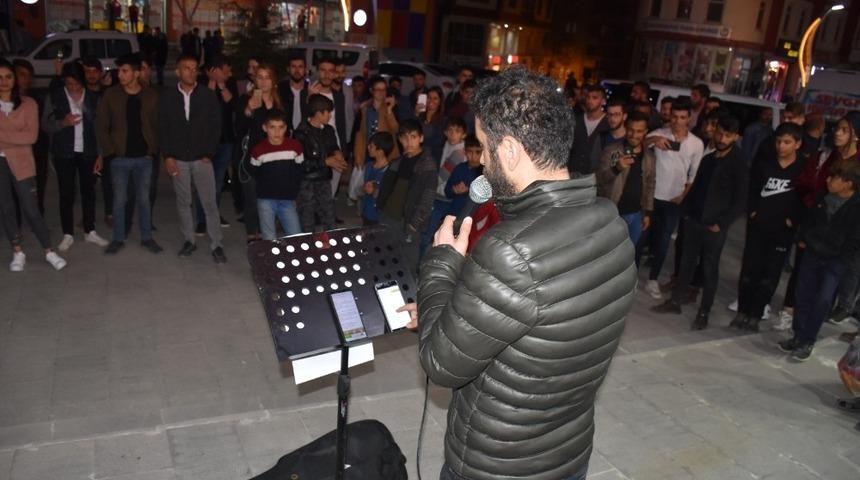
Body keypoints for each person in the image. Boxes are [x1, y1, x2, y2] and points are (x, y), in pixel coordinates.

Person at [405, 66, 635, 480]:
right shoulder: (609, 223)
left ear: (509, 150)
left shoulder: (510, 252)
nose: (483, 160)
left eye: (485, 147)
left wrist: (441, 263)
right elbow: (542, 319)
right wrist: (458, 312)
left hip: (498, 464)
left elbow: (441, 364)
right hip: (565, 453)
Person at [651, 114, 748, 330]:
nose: (722, 138)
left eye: (728, 135)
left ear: (736, 137)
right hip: (695, 219)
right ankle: (675, 301)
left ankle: (704, 311)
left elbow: (740, 200)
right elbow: (695, 189)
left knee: (709, 269)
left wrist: (722, 224)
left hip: (715, 226)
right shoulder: (709, 159)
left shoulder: (738, 163)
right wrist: (686, 213)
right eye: (720, 133)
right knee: (686, 263)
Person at [779, 161, 860, 362]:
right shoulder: (822, 197)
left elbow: (855, 238)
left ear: (848, 184)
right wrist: (803, 239)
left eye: (834, 178)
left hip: (835, 261)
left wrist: (842, 258)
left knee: (823, 299)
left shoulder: (856, 207)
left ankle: (808, 340)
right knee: (802, 295)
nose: (828, 180)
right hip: (812, 253)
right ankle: (798, 336)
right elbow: (809, 220)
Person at [732, 122, 806, 332]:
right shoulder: (765, 162)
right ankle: (742, 311)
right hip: (758, 226)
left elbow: (806, 198)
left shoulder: (802, 168)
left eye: (787, 142)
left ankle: (756, 314)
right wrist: (753, 211)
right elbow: (752, 188)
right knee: (749, 270)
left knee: (770, 275)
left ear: (797, 144)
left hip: (782, 232)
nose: (781, 146)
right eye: (779, 141)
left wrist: (792, 220)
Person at [0, 58, 67, 272]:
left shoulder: (29, 104)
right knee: (7, 208)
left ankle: (49, 250)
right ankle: (17, 251)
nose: (4, 81)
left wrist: (3, 137)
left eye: (8, 77)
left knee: (31, 209)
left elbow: (31, 136)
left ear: (15, 80)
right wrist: (15, 137)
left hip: (22, 164)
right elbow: (22, 137)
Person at [159, 54, 226, 263]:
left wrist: (209, 152)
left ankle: (217, 244)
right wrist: (168, 156)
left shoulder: (207, 95)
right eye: (186, 68)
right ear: (178, 71)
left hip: (201, 159)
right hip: (178, 158)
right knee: (184, 202)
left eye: (194, 68)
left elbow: (216, 126)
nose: (191, 71)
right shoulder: (168, 97)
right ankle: (189, 240)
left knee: (209, 202)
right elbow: (163, 129)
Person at [95, 53, 162, 255]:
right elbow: (101, 125)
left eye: (125, 71)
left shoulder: (150, 95)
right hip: (120, 158)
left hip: (144, 157)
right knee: (119, 199)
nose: (120, 75)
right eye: (119, 71)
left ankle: (146, 237)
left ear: (136, 73)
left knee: (143, 198)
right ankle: (118, 237)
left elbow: (158, 125)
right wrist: (110, 153)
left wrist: (152, 150)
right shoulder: (111, 95)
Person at [41, 62, 110, 251]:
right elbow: (45, 125)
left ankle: (90, 230)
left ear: (83, 81)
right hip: (64, 152)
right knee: (66, 193)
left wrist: (101, 154)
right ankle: (68, 233)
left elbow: (101, 128)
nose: (72, 88)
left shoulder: (94, 98)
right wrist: (62, 123)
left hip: (88, 152)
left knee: (89, 191)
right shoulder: (55, 97)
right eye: (69, 83)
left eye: (76, 84)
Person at [642, 99, 704, 300]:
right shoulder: (659, 134)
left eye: (682, 117)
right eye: (674, 117)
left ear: (689, 119)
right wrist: (653, 141)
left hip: (674, 200)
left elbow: (694, 176)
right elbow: (639, 142)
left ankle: (653, 279)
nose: (678, 121)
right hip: (651, 196)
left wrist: (683, 196)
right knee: (641, 237)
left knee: (663, 240)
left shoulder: (696, 144)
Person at [236, 63, 282, 243]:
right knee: (252, 199)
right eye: (259, 77)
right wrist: (248, 110)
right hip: (253, 158)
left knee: (271, 198)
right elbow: (238, 129)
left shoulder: (279, 101)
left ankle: (267, 233)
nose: (263, 82)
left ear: (273, 80)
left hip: (275, 158)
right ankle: (252, 235)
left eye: (267, 77)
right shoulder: (246, 100)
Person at [596, 111, 655, 246]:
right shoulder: (612, 150)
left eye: (639, 131)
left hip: (636, 215)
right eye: (631, 130)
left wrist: (648, 213)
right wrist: (616, 168)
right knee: (606, 251)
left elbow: (650, 185)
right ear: (626, 128)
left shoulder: (650, 156)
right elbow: (599, 179)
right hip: (613, 214)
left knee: (627, 255)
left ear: (645, 131)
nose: (634, 135)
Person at [293, 93, 347, 232]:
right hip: (307, 182)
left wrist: (337, 153)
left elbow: (333, 147)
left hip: (324, 179)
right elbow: (300, 163)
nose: (330, 116)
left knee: (329, 216)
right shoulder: (301, 134)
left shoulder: (328, 130)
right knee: (307, 219)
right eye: (328, 112)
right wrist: (325, 162)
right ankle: (308, 248)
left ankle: (331, 247)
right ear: (318, 113)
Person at [377, 118, 437, 243]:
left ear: (421, 138)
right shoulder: (397, 162)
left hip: (408, 222)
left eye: (413, 137)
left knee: (407, 259)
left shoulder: (427, 165)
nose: (409, 142)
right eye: (405, 138)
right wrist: (381, 207)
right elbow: (386, 188)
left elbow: (428, 197)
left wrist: (415, 223)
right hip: (388, 216)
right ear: (399, 140)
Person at [195, 56, 236, 234]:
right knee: (202, 183)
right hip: (204, 142)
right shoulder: (200, 83)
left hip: (225, 140)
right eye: (225, 71)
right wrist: (212, 82)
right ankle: (201, 219)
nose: (229, 74)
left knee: (217, 183)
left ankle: (214, 215)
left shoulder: (229, 83)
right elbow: (206, 105)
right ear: (215, 70)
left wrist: (221, 84)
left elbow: (231, 103)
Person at [250, 109, 304, 240]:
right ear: (265, 128)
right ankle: (271, 260)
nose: (276, 132)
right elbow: (255, 172)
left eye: (280, 127)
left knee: (295, 234)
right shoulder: (258, 150)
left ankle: (297, 259)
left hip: (287, 199)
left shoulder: (295, 147)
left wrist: (293, 191)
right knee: (269, 236)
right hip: (265, 199)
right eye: (272, 127)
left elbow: (299, 170)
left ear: (286, 128)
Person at [419, 117, 467, 257]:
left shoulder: (459, 153)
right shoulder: (445, 146)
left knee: (430, 234)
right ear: (445, 132)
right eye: (450, 130)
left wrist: (431, 190)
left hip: (445, 197)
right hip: (441, 195)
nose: (453, 134)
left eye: (457, 131)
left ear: (463, 134)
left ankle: (423, 264)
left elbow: (442, 176)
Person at [12, 59, 50, 217]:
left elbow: (40, 127)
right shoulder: (6, 99)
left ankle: (37, 216)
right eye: (21, 75)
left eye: (28, 76)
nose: (25, 79)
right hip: (12, 150)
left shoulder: (35, 100)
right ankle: (16, 220)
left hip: (36, 149)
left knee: (37, 186)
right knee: (13, 189)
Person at [353, 76, 399, 168]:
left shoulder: (391, 107)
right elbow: (360, 134)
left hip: (386, 154)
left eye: (384, 89)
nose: (381, 92)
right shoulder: (365, 109)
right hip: (368, 153)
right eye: (378, 89)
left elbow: (395, 129)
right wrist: (358, 155)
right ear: (371, 90)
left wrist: (389, 110)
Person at [568, 84, 608, 175]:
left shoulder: (607, 123)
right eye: (588, 97)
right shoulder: (577, 120)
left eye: (595, 98)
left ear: (603, 101)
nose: (590, 101)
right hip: (574, 174)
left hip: (595, 177)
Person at [361, 131, 395, 225]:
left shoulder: (389, 171)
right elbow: (362, 188)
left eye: (371, 146)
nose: (368, 148)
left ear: (380, 151)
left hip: (378, 215)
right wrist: (365, 188)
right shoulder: (368, 166)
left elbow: (389, 195)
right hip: (366, 211)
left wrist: (374, 190)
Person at [278, 53, 308, 132]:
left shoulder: (311, 89)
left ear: (305, 69)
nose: (297, 70)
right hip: (284, 135)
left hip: (305, 136)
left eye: (300, 67)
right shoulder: (279, 89)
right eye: (293, 66)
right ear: (288, 69)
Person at [417, 86, 446, 163]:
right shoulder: (420, 115)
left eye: (435, 98)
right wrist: (416, 114)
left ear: (440, 101)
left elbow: (439, 141)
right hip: (417, 155)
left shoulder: (443, 119)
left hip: (433, 157)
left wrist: (420, 142)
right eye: (429, 97)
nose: (431, 101)